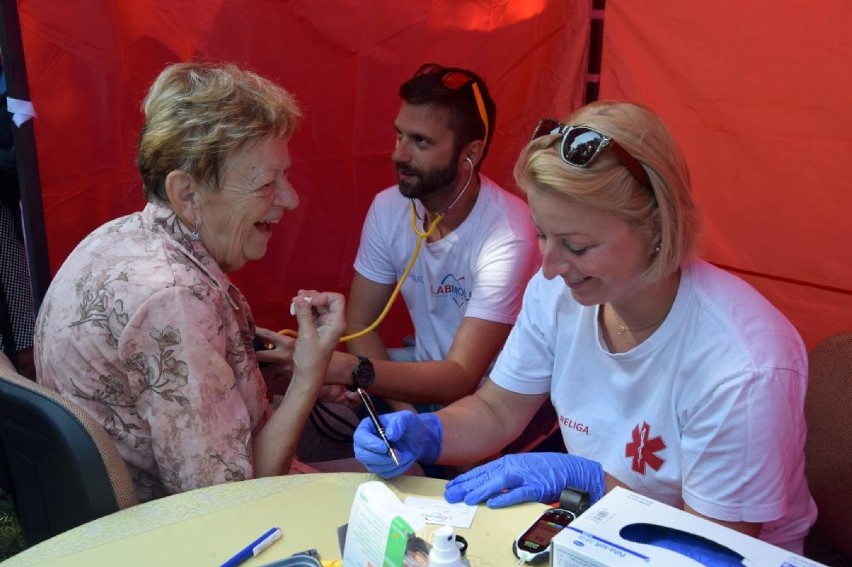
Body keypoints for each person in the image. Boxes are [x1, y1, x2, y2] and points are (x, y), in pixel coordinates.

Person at [354, 100, 816, 553]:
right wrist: (427, 431)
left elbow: (711, 549)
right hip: (603, 533)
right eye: (541, 233)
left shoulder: (743, 366)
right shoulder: (560, 294)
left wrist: (593, 482)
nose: (551, 266)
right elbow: (497, 412)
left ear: (658, 227)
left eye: (576, 246)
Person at [34, 61, 353, 502]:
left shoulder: (118, 236)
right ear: (187, 194)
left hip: (116, 510)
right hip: (176, 533)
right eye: (266, 183)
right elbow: (229, 504)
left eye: (285, 176)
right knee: (398, 486)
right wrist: (308, 374)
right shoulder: (175, 300)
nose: (290, 198)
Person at [259, 63, 545, 466]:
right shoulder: (390, 208)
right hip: (415, 392)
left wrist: (338, 368)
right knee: (289, 426)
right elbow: (360, 325)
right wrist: (404, 413)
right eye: (399, 134)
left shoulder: (508, 234)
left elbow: (462, 375)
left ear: (471, 153)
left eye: (421, 142)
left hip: (490, 411)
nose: (399, 154)